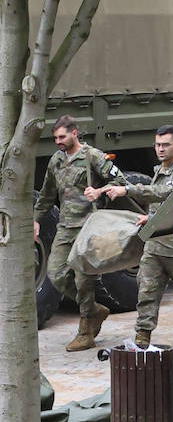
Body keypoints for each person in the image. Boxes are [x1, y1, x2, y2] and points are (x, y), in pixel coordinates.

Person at [88, 125, 173, 357]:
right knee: (147, 294)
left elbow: (163, 194)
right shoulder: (161, 169)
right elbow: (166, 207)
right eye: (157, 145)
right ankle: (142, 338)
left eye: (165, 145)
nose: (160, 149)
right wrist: (150, 217)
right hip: (155, 245)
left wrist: (126, 190)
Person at [33, 115, 124, 351]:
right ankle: (94, 310)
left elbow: (120, 181)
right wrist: (35, 220)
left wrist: (100, 190)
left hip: (87, 227)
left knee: (84, 280)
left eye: (62, 137)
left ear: (75, 133)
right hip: (65, 227)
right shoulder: (56, 160)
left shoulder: (92, 156)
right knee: (56, 274)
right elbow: (46, 194)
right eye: (55, 138)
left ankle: (86, 332)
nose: (58, 142)